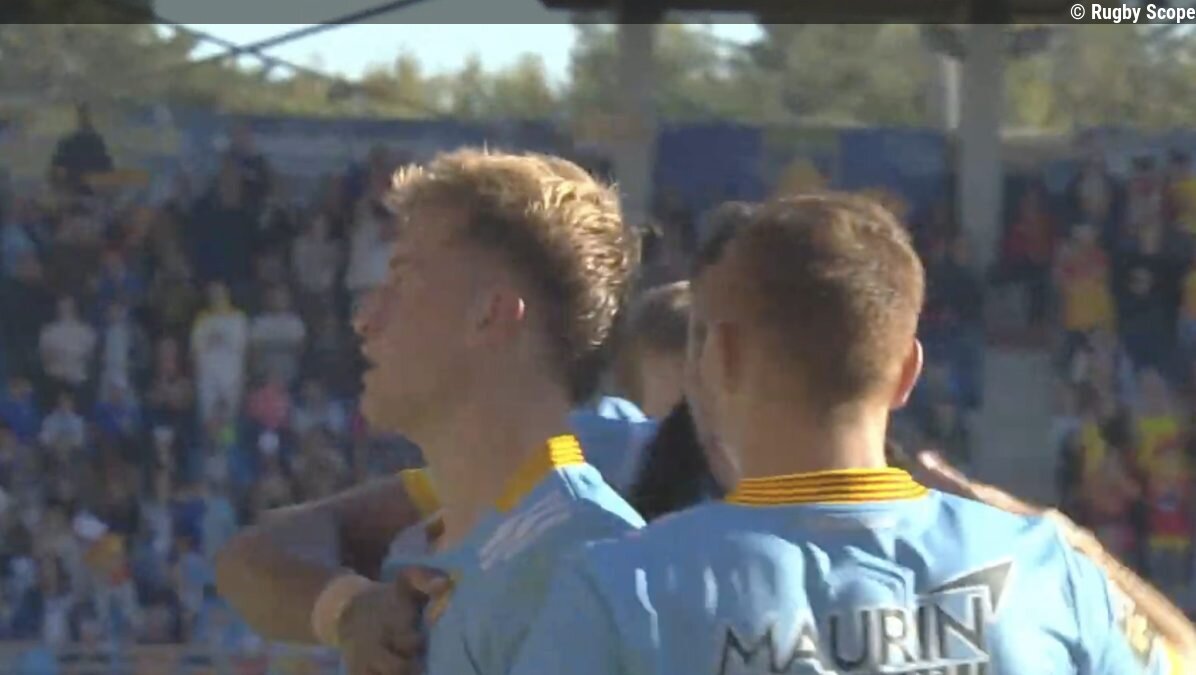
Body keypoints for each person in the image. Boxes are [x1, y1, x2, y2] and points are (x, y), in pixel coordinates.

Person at [510, 193, 1196, 675]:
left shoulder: (620, 590)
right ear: (908, 372)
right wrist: (1081, 548)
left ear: (721, 358)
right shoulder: (1044, 572)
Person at [215, 149, 644, 675]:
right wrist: (347, 609)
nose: (365, 318)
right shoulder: (419, 553)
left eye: (402, 280)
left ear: (492, 314)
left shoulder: (585, 562)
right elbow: (252, 555)